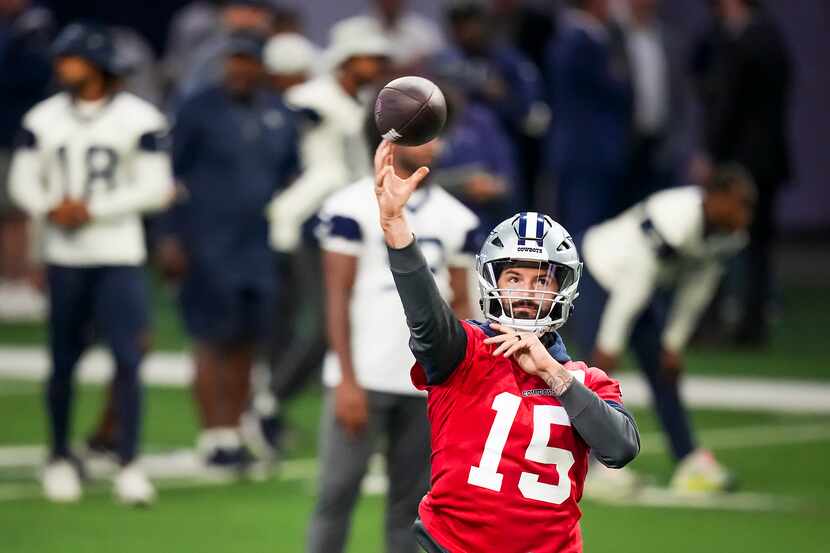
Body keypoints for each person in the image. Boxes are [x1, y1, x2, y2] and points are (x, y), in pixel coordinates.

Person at [372, 139, 640, 552]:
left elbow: (620, 449)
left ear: (563, 288)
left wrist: (554, 374)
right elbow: (426, 317)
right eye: (514, 278)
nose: (527, 293)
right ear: (492, 284)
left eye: (541, 280)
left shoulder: (587, 380)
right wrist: (396, 228)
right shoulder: (465, 353)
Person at [8, 22, 173, 504]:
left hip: (118, 253)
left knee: (126, 359)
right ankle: (58, 455)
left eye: (72, 58)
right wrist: (49, 207)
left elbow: (155, 186)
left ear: (97, 65)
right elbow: (22, 179)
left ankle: (128, 460)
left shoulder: (140, 118)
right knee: (62, 361)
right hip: (64, 255)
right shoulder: (42, 118)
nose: (63, 67)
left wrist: (92, 209)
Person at [307, 122, 479, 553]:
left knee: (414, 507)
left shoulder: (458, 217)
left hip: (427, 385)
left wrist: (457, 385)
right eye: (421, 135)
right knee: (336, 494)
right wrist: (345, 377)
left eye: (437, 134)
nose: (433, 145)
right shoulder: (349, 205)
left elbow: (463, 306)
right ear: (390, 140)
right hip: (364, 374)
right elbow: (336, 295)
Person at [157, 32, 299, 471]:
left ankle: (234, 429)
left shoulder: (278, 112)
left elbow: (290, 174)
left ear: (260, 67)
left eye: (247, 61)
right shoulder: (198, 108)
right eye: (233, 59)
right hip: (206, 240)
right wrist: (168, 236)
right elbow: (168, 176)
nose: (239, 68)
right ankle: (212, 434)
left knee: (247, 341)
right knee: (210, 339)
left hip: (258, 243)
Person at [572, 165, 755, 493]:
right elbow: (635, 277)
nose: (745, 213)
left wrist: (673, 342)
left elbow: (699, 288)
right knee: (594, 373)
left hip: (638, 290)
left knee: (664, 369)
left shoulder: (730, 236)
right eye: (739, 203)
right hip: (600, 271)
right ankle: (595, 466)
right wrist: (610, 342)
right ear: (714, 197)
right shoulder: (673, 218)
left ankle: (688, 459)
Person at [263, 22, 389, 409]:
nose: (376, 65)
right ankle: (269, 403)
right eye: (368, 58)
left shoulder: (362, 102)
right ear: (347, 60)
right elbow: (291, 159)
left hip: (346, 220)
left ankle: (272, 403)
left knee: (342, 320)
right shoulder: (311, 99)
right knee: (315, 323)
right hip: (305, 220)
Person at [690, 0, 792, 346]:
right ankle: (752, 326)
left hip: (739, 165)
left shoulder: (744, 42)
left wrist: (711, 154)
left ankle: (714, 326)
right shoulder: (772, 37)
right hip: (768, 163)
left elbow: (729, 105)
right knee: (758, 249)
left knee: (718, 243)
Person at [544, 0, 632, 235]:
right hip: (586, 154)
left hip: (588, 153)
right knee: (584, 230)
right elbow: (614, 90)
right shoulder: (577, 42)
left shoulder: (590, 39)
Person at [0, 0, 54, 321]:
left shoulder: (35, 26)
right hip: (6, 133)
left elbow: (36, 74)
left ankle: (22, 281)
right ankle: (8, 280)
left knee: (21, 210)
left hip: (21, 135)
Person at [611, 0, 689, 209]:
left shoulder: (671, 39)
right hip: (624, 145)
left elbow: (683, 98)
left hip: (662, 145)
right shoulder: (613, 38)